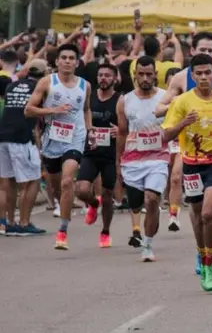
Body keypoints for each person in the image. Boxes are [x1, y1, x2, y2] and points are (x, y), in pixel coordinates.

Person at [163, 53, 212, 291]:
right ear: (192, 75)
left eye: (208, 72)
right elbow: (166, 134)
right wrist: (183, 124)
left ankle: (210, 262)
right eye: (199, 73)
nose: (204, 77)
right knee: (197, 216)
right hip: (192, 163)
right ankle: (203, 257)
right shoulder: (182, 102)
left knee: (208, 213)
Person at [157, 32, 212, 239]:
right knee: (193, 197)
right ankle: (200, 237)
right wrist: (182, 102)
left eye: (210, 51)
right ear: (192, 51)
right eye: (202, 50)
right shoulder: (182, 77)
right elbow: (159, 108)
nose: (206, 53)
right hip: (190, 145)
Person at [25, 43, 92, 250]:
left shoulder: (85, 85)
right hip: (52, 140)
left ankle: (62, 231)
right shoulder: (47, 82)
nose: (67, 61)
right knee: (55, 186)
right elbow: (29, 110)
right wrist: (54, 109)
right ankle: (70, 208)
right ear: (57, 61)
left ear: (77, 62)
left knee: (66, 182)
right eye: (64, 58)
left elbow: (86, 109)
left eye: (72, 58)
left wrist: (90, 132)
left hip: (75, 138)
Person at [117, 57, 170, 262]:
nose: (145, 78)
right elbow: (122, 133)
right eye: (141, 74)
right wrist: (118, 162)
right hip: (132, 161)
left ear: (156, 74)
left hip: (158, 158)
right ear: (135, 75)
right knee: (137, 203)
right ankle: (152, 219)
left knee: (151, 198)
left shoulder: (166, 98)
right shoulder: (125, 100)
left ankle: (147, 245)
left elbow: (172, 126)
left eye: (149, 74)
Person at [0, 59, 48, 236]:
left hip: (3, 136)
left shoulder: (12, 86)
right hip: (21, 139)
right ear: (44, 74)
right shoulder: (41, 88)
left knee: (6, 183)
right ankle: (24, 223)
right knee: (32, 180)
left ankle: (8, 223)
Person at [75, 63, 120, 248]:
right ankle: (93, 203)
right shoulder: (90, 98)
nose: (103, 78)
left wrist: (120, 130)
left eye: (107, 76)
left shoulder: (120, 100)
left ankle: (105, 231)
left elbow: (128, 124)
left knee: (109, 196)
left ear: (115, 79)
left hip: (110, 154)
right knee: (82, 190)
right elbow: (80, 118)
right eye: (101, 75)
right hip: (91, 152)